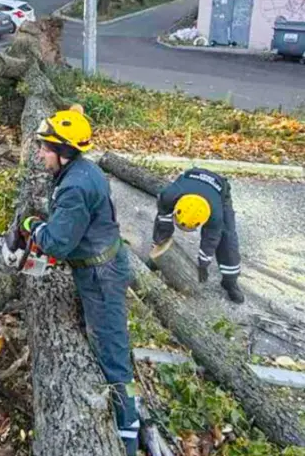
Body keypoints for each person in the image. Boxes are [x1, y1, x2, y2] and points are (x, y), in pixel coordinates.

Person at [19, 105, 139, 455]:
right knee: (108, 338)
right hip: (96, 264)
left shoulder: (74, 188)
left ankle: (128, 426)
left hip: (100, 276)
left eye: (45, 147)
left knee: (112, 348)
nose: (40, 153)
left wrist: (33, 227)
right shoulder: (82, 170)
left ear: (64, 151)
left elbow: (56, 241)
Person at [152, 167, 244, 304]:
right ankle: (155, 259)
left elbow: (210, 240)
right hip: (192, 178)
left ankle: (230, 281)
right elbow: (163, 217)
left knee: (227, 237)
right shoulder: (169, 195)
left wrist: (203, 264)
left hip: (219, 189)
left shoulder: (215, 215)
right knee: (161, 226)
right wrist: (161, 240)